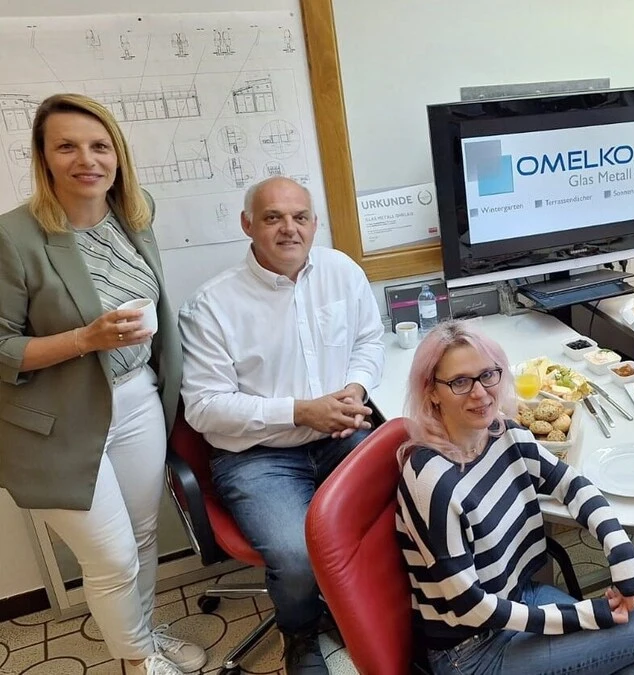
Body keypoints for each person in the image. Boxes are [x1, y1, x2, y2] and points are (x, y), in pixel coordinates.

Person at [0, 94, 203, 675]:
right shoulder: (15, 237)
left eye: (99, 145)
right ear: (43, 157)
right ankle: (140, 662)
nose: (85, 159)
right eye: (66, 146)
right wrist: (84, 340)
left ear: (117, 154)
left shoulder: (136, 215)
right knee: (112, 557)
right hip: (57, 422)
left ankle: (141, 638)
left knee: (141, 540)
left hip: (137, 398)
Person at [395, 320, 634, 675]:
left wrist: (623, 553)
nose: (480, 393)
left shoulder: (503, 435)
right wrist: (582, 615)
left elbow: (572, 486)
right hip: (470, 651)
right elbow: (468, 605)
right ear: (431, 391)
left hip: (519, 600)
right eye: (460, 382)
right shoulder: (432, 480)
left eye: (488, 374)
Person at [178, 176, 384, 675]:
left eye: (300, 217)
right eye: (273, 217)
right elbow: (203, 408)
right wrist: (298, 410)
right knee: (297, 557)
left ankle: (376, 611)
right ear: (248, 225)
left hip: (339, 435)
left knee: (416, 505)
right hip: (256, 456)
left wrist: (355, 390)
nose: (289, 228)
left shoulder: (341, 271)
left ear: (314, 223)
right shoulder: (211, 305)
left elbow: (369, 340)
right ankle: (301, 633)